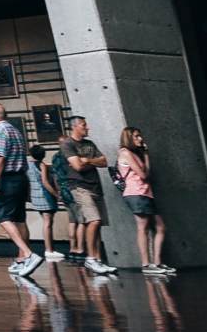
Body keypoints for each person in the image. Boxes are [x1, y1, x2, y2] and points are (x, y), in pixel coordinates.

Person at [0, 103, 42, 277]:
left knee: (3, 218)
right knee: (19, 219)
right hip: (20, 178)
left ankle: (28, 254)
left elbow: (0, 158)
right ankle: (21, 260)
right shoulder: (15, 131)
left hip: (7, 179)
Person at [60, 116, 119, 276]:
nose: (88, 128)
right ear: (75, 127)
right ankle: (91, 258)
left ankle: (98, 260)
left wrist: (88, 160)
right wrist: (88, 161)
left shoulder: (90, 144)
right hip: (79, 187)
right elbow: (77, 166)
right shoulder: (67, 144)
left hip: (95, 187)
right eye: (84, 125)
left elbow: (104, 162)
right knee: (94, 220)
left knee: (98, 225)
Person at [117, 126, 175, 275]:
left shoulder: (137, 154)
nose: (140, 139)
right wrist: (144, 166)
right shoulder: (125, 153)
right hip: (136, 193)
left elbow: (147, 173)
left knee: (160, 227)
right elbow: (143, 175)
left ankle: (157, 263)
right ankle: (146, 264)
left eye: (140, 136)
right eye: (136, 136)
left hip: (145, 193)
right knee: (143, 227)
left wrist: (146, 154)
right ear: (129, 138)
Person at [26, 142, 64, 260]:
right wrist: (56, 194)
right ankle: (49, 250)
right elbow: (45, 182)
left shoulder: (27, 164)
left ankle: (49, 249)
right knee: (48, 223)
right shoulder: (41, 165)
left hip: (35, 196)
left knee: (46, 222)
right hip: (44, 196)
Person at [49, 143, 84, 263]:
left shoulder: (55, 157)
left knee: (72, 221)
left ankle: (72, 248)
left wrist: (58, 191)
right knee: (81, 220)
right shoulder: (69, 156)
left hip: (63, 190)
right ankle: (80, 249)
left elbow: (55, 176)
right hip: (73, 188)